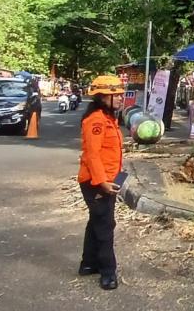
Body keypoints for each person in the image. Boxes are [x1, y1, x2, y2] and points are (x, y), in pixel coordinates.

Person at [77, 75, 126, 290]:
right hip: (97, 182)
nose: (120, 99)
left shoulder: (108, 118)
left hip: (106, 179)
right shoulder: (96, 120)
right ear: (103, 97)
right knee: (105, 225)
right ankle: (108, 273)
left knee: (96, 222)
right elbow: (92, 155)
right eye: (116, 95)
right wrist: (102, 183)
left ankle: (88, 264)